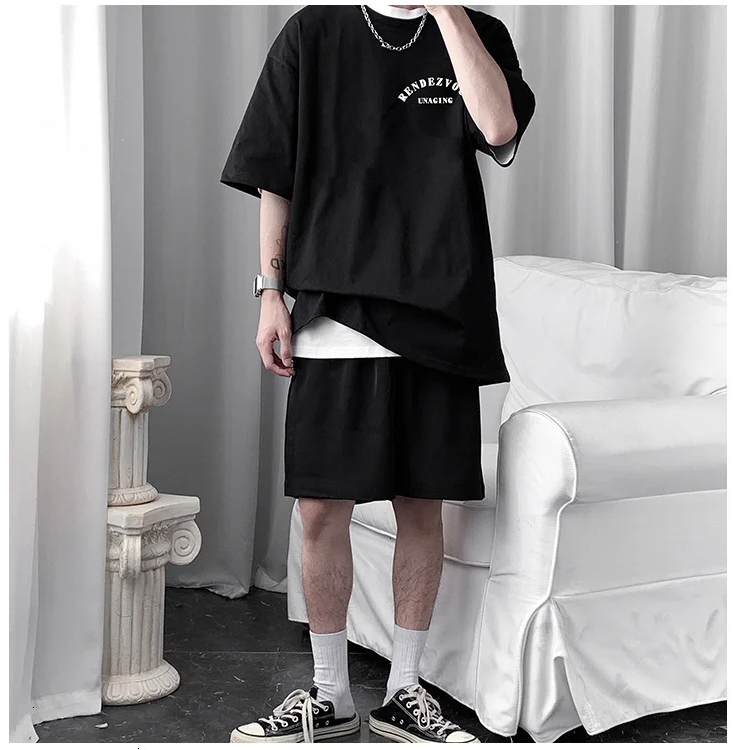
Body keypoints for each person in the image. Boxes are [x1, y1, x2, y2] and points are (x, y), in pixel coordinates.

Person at [220, 3, 535, 743]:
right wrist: (270, 293)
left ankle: (405, 692)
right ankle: (328, 694)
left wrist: (447, 11)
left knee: (422, 507)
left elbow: (498, 128)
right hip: (334, 308)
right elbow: (274, 173)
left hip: (440, 311)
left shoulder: (478, 32)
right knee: (320, 511)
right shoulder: (314, 32)